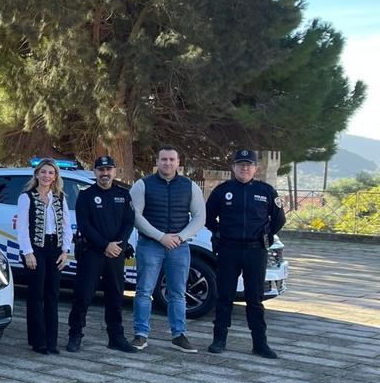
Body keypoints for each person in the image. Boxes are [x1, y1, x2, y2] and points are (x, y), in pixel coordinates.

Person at [205, 149, 286, 358]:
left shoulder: (266, 191)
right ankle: (219, 340)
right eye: (240, 164)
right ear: (233, 168)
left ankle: (260, 343)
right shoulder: (222, 191)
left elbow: (279, 219)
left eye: (249, 165)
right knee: (224, 297)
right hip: (228, 250)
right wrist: (218, 233)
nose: (245, 168)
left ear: (255, 168)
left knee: (255, 299)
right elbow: (208, 217)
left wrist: (265, 234)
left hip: (255, 251)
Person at [129, 146, 205, 352]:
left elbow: (200, 217)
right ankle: (141, 334)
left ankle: (179, 335)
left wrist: (180, 237)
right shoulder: (142, 185)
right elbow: (135, 216)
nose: (168, 163)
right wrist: (160, 237)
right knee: (144, 291)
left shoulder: (190, 186)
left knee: (178, 293)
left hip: (179, 247)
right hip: (150, 245)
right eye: (164, 159)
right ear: (158, 161)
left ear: (178, 162)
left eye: (172, 159)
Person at [66, 156, 135, 353]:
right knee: (83, 296)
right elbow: (84, 225)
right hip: (92, 253)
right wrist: (105, 245)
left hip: (116, 254)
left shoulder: (124, 195)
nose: (105, 173)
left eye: (108, 169)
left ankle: (116, 337)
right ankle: (75, 335)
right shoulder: (86, 195)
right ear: (95, 172)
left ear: (114, 171)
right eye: (100, 170)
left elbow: (129, 222)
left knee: (115, 296)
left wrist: (118, 245)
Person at [16, 159, 73, 354]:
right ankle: (38, 341)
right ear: (37, 174)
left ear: (55, 176)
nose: (47, 176)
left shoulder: (60, 197)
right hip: (36, 248)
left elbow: (67, 226)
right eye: (44, 172)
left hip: (55, 248)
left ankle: (52, 341)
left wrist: (65, 251)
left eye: (51, 173)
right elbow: (22, 227)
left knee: (53, 295)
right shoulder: (26, 197)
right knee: (36, 294)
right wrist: (28, 252)